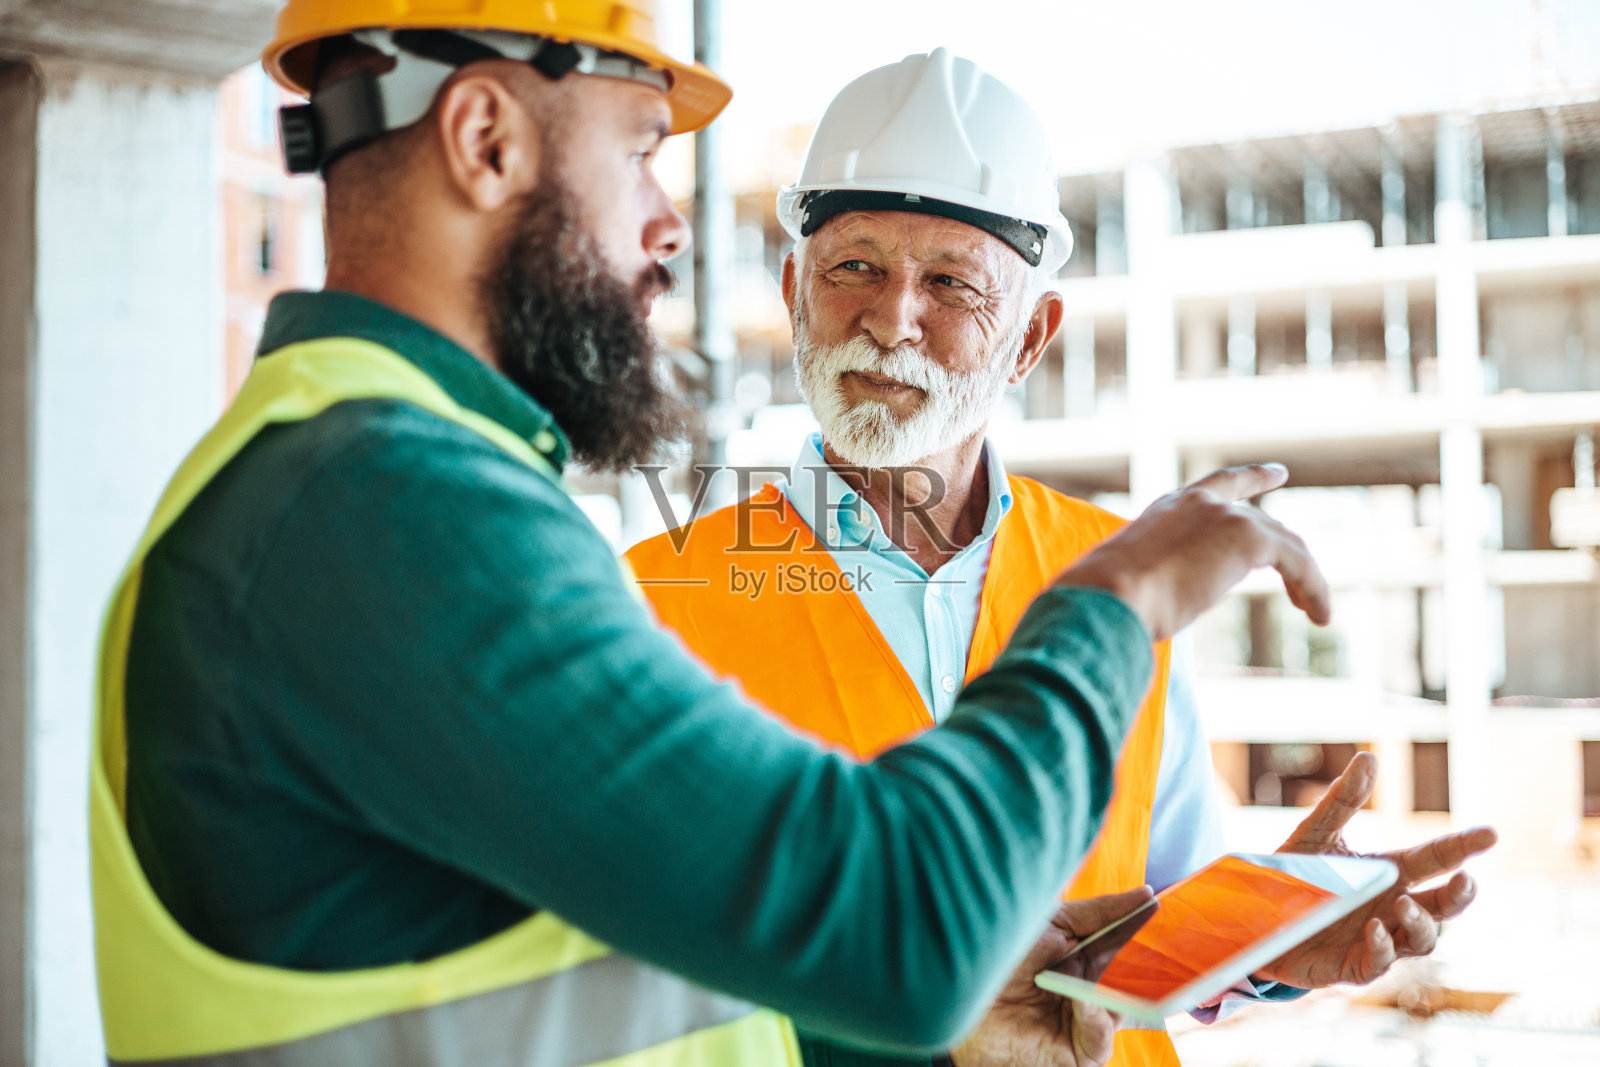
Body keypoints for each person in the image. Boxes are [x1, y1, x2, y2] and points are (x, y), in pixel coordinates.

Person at [89, 6, 1335, 1066]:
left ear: (1030, 330)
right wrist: (1113, 602)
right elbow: (906, 922)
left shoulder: (361, 480)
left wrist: (1217, 948)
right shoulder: (385, 509)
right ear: (484, 139)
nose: (669, 224)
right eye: (640, 150)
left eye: (951, 282)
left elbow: (633, 972)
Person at [626, 50, 1497, 1067]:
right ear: (793, 289)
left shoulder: (1117, 570)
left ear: (1031, 336)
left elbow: (1150, 913)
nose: (891, 317)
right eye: (854, 263)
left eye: (950, 281)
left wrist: (1259, 938)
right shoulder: (653, 596)